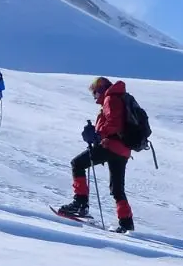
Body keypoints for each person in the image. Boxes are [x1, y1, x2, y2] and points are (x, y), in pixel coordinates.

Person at [55, 77, 135, 231]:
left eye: (94, 92)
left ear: (101, 89)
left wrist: (98, 135)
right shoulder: (118, 97)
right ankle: (126, 223)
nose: (94, 97)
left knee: (77, 164)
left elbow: (114, 124)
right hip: (123, 149)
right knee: (117, 188)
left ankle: (80, 204)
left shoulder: (111, 98)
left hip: (110, 145)